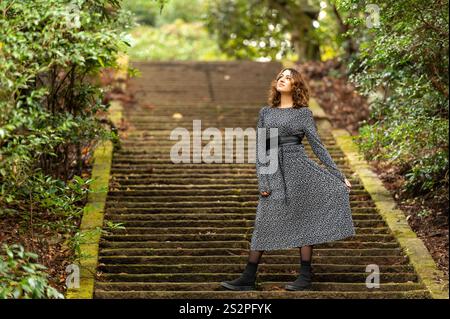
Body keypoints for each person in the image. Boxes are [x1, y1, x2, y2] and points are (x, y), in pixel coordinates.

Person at [220, 67, 355, 291]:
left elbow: (318, 146)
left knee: (304, 220)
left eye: (288, 78)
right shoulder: (266, 112)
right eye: (280, 77)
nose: (282, 80)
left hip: (300, 170)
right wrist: (263, 180)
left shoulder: (303, 114)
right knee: (263, 222)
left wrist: (338, 175)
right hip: (273, 170)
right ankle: (248, 277)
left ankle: (304, 277)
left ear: (296, 85)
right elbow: (261, 150)